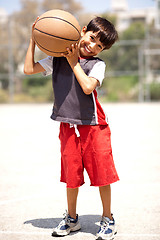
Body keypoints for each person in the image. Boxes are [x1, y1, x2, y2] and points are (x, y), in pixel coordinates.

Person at [24, 15, 119, 240]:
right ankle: (72, 219)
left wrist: (74, 62)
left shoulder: (98, 65)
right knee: (71, 176)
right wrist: (33, 40)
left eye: (100, 46)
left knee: (102, 175)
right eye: (92, 37)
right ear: (83, 30)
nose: (93, 46)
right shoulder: (57, 58)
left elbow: (87, 88)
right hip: (67, 125)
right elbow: (28, 69)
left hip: (93, 125)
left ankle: (108, 219)